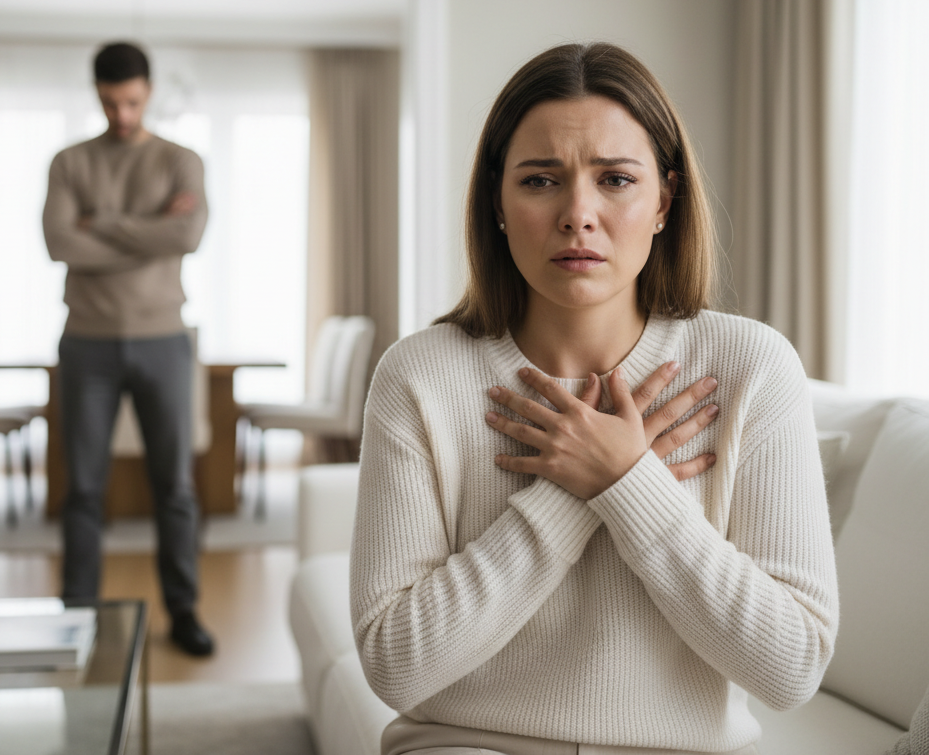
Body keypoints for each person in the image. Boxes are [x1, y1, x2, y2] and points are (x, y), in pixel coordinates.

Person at [351, 43, 838, 754]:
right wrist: (575, 490)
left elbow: (792, 666)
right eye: (541, 180)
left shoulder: (751, 367)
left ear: (665, 201)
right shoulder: (418, 376)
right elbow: (395, 663)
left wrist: (630, 482)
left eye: (615, 179)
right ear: (497, 201)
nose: (578, 214)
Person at [42, 42, 214, 656]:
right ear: (96, 93)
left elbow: (187, 234)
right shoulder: (69, 163)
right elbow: (60, 244)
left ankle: (184, 612)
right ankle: (77, 619)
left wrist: (103, 222)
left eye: (133, 101)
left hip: (163, 341)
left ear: (149, 92)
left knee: (176, 487)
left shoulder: (179, 159)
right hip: (85, 344)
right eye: (111, 102)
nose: (122, 114)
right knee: (83, 490)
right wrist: (149, 232)